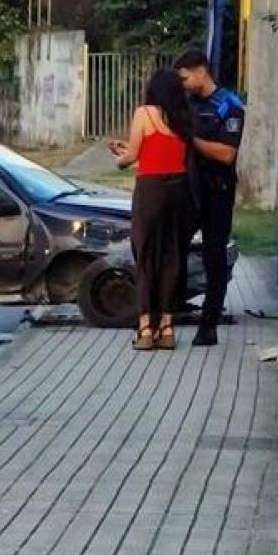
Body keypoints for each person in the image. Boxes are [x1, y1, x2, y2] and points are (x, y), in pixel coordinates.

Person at [107, 70, 195, 351]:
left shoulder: (143, 113)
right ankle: (167, 327)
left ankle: (146, 327)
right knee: (171, 256)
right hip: (179, 189)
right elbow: (167, 151)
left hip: (151, 190)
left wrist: (119, 158)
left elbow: (132, 156)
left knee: (145, 255)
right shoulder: (184, 117)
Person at [175, 48, 245, 347]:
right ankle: (173, 306)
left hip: (217, 190)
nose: (183, 84)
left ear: (201, 71)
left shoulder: (229, 106)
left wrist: (191, 140)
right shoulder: (186, 104)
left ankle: (209, 323)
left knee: (213, 255)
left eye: (185, 78)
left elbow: (226, 153)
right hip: (188, 188)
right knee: (173, 247)